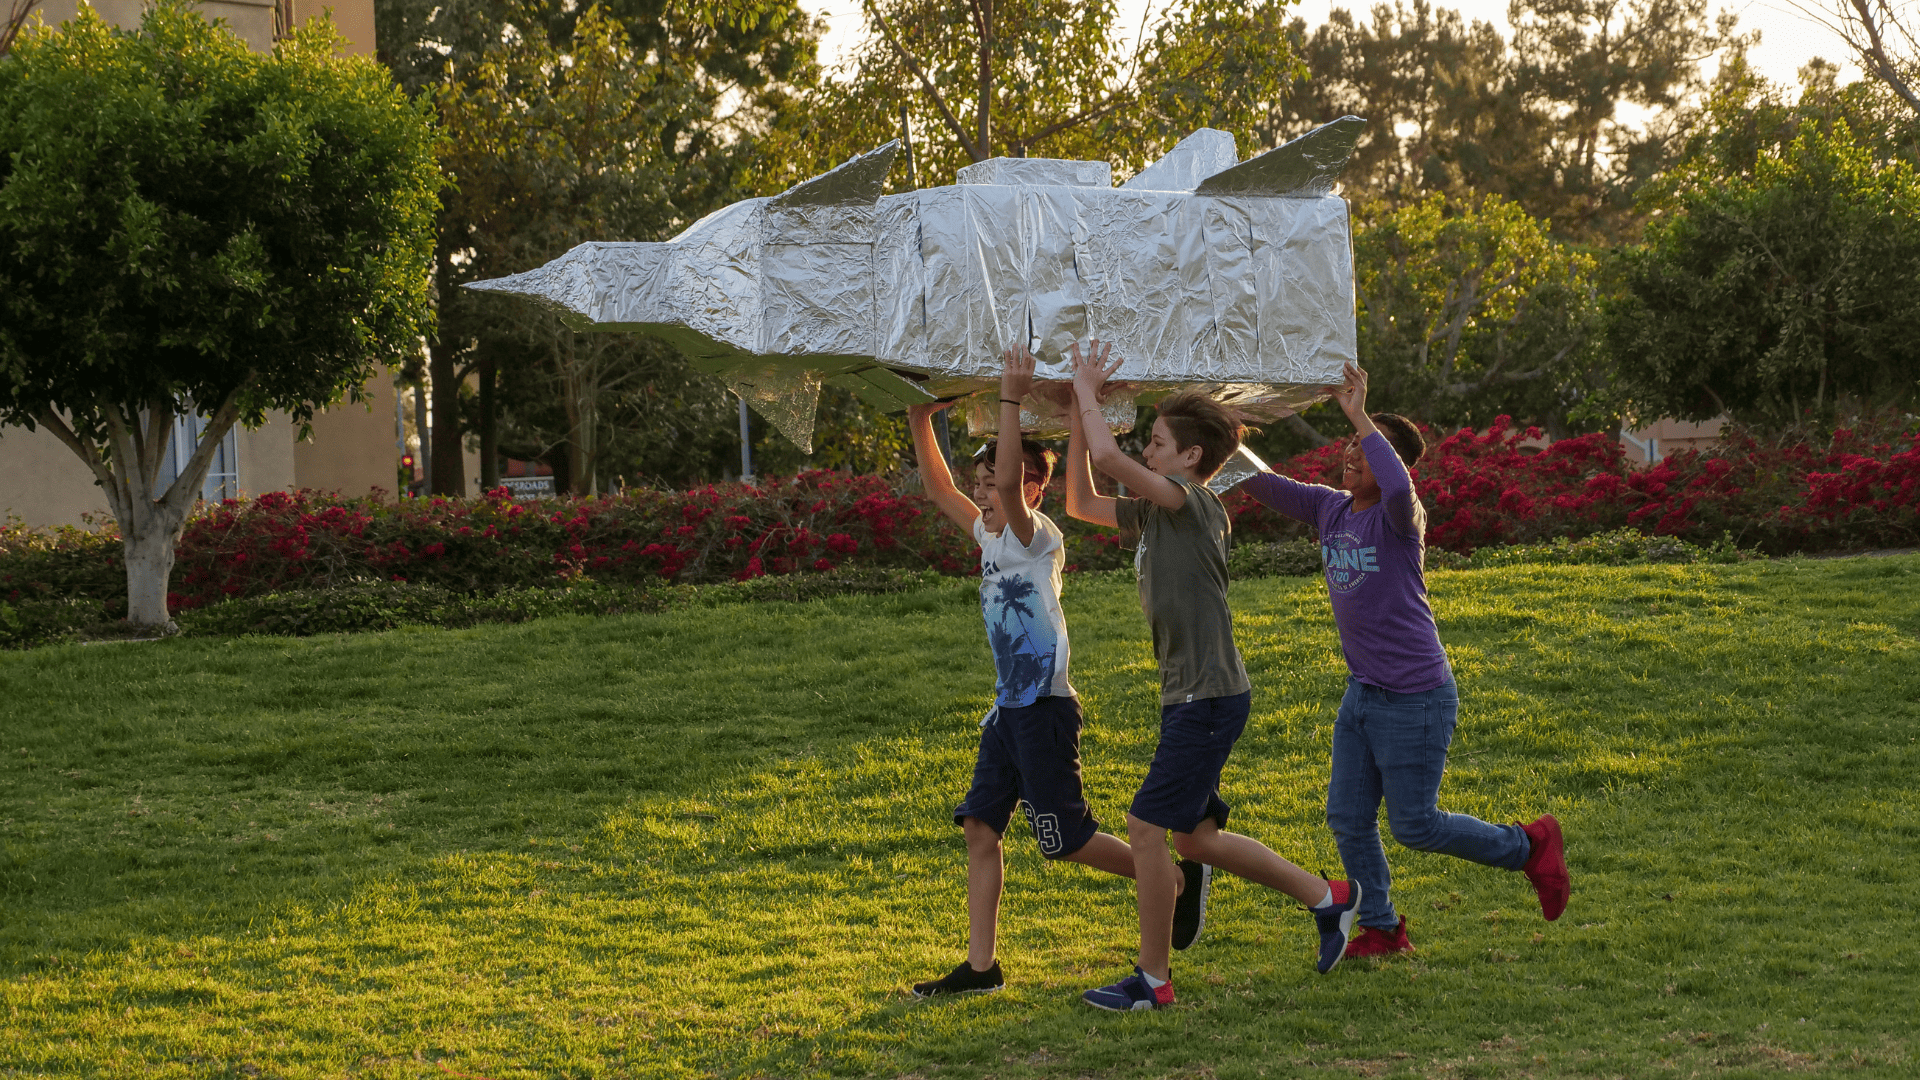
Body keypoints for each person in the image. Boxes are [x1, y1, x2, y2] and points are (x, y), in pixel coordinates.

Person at [1060, 339, 1363, 1012]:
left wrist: (1085, 389)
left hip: (1208, 698)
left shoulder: (1193, 504)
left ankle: (1153, 982)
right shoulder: (1159, 509)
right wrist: (1077, 418)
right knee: (1196, 838)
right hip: (1196, 697)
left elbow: (1112, 459)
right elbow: (1083, 498)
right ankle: (1330, 898)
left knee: (1144, 827)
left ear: (1191, 459)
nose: (1148, 451)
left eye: (1159, 442)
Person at [1240, 361, 1571, 961]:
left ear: (1394, 461)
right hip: (1363, 693)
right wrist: (1224, 430)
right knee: (1347, 815)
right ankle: (1383, 928)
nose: (1351, 457)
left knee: (1415, 826)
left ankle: (1529, 846)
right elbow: (1262, 485)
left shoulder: (1400, 517)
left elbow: (1396, 486)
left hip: (1415, 695)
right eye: (1349, 449)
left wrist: (1360, 415)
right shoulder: (1330, 509)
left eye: (1365, 450)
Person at [905, 345, 1204, 997]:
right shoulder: (987, 536)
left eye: (991, 483)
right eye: (979, 484)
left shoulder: (1032, 534)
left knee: (1064, 842)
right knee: (980, 829)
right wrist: (918, 417)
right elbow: (935, 488)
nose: (982, 492)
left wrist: (1011, 398)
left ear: (1033, 489)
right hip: (1007, 713)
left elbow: (1009, 482)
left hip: (1044, 708)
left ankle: (1170, 877)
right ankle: (981, 969)